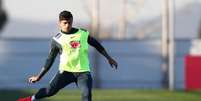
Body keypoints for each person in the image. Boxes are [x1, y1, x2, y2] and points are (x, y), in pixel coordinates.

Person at [17, 10, 118, 101]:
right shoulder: (56, 39)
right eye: (64, 23)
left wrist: (109, 58)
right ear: (59, 23)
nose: (67, 25)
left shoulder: (82, 33)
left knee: (87, 94)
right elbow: (50, 60)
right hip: (65, 72)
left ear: (72, 21)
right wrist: (38, 76)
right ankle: (31, 99)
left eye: (69, 22)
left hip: (83, 72)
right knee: (49, 91)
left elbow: (97, 44)